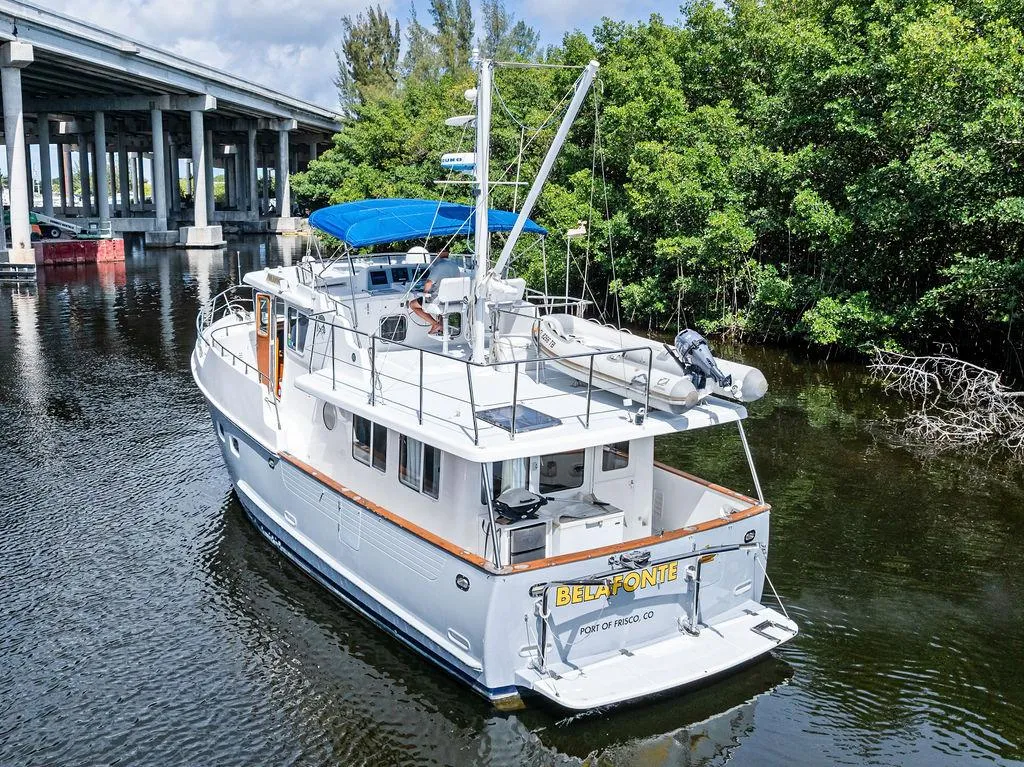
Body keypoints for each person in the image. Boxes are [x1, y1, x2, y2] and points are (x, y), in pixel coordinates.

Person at [409, 249, 461, 336]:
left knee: (412, 305)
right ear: (448, 253)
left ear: (438, 254)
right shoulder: (455, 267)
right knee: (442, 305)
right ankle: (440, 326)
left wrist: (424, 292)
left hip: (438, 301)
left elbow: (429, 283)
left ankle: (435, 324)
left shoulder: (438, 266)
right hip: (453, 301)